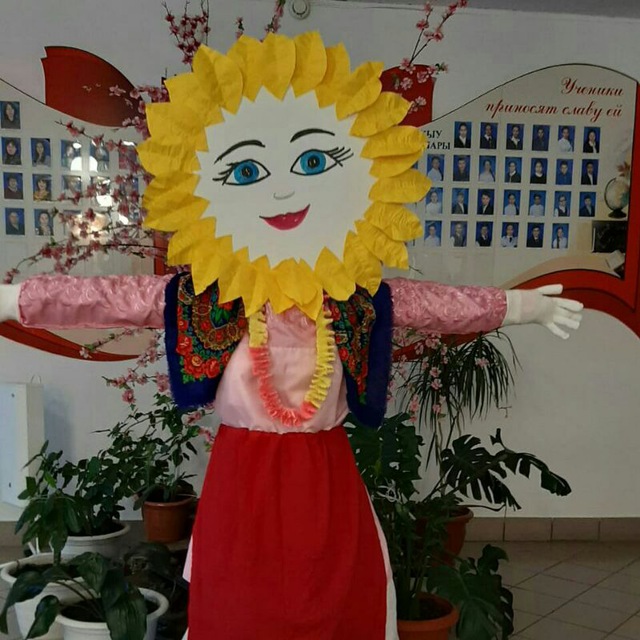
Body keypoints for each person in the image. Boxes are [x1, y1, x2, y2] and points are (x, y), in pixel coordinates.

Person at [0, 34, 585, 640]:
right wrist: (14, 300)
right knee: (241, 612)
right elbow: (103, 297)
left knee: (333, 607)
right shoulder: (207, 297)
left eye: (311, 164)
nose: (282, 191)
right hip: (241, 486)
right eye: (247, 171)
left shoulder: (354, 297)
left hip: (325, 481)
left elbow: (440, 306)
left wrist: (522, 306)